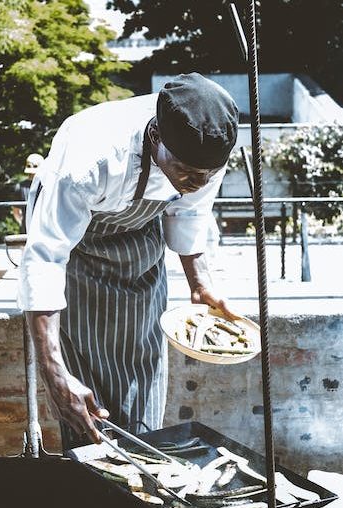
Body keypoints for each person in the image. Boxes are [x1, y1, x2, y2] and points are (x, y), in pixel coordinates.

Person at [18, 73, 239, 449]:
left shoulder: (206, 150)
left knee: (143, 381)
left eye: (207, 174)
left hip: (140, 253)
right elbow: (44, 259)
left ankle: (141, 466)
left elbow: (190, 212)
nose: (196, 182)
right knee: (86, 407)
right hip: (77, 256)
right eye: (184, 171)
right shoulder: (89, 158)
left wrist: (200, 284)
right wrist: (54, 374)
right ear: (155, 137)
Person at [11, 153, 44, 230]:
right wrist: (23, 224)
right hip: (27, 228)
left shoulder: (46, 186)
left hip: (43, 227)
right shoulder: (19, 187)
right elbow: (15, 211)